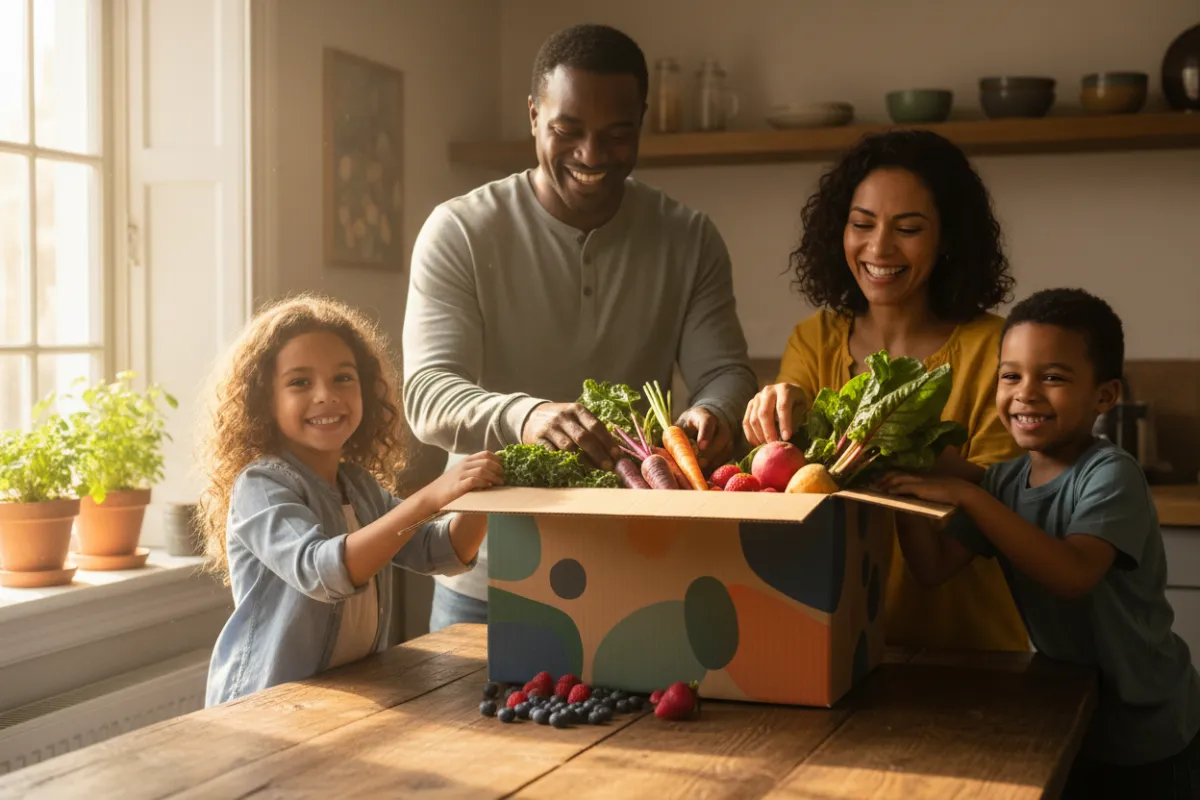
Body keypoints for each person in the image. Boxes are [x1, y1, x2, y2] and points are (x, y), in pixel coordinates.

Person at [402, 24, 758, 631]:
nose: (592, 155)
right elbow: (428, 394)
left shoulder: (689, 238)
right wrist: (529, 415)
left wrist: (715, 413)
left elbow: (724, 371)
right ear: (534, 115)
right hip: (487, 576)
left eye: (617, 135)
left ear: (641, 122)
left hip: (641, 564)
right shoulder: (459, 230)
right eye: (568, 131)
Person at [884, 288, 1200, 799]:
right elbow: (933, 566)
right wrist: (902, 486)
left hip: (1151, 732)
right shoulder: (1004, 483)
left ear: (1104, 395)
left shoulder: (1111, 474)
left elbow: (1072, 574)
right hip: (1072, 719)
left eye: (1052, 377)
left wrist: (967, 493)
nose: (1025, 393)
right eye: (1010, 375)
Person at [743, 129, 1029, 651]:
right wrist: (777, 410)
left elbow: (1002, 497)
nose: (879, 248)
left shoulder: (996, 349)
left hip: (969, 652)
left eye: (909, 228)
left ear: (947, 239)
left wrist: (903, 450)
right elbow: (787, 481)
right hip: (835, 644)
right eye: (862, 224)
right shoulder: (814, 339)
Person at [199, 295, 503, 706]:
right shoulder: (260, 486)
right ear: (265, 401)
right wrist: (431, 497)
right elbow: (321, 571)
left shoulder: (358, 486)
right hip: (265, 705)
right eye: (300, 382)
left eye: (343, 378)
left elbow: (439, 551)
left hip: (342, 699)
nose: (326, 395)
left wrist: (480, 496)